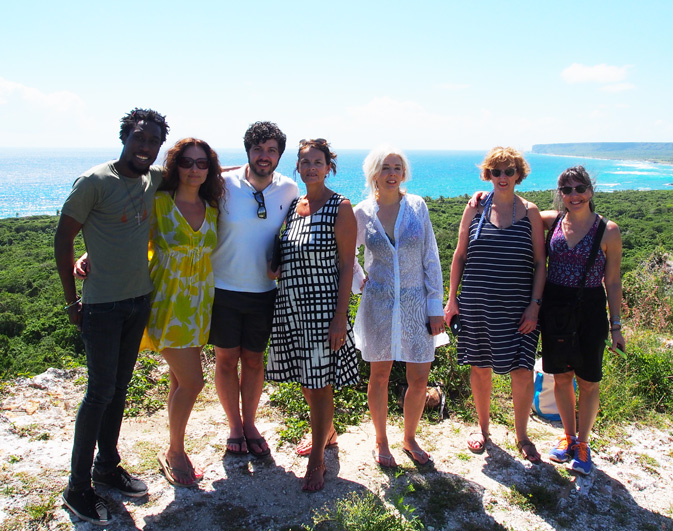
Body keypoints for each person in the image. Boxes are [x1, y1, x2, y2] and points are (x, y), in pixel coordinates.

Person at [54, 108, 169, 525]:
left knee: (119, 389)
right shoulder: (95, 181)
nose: (145, 146)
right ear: (125, 136)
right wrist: (72, 302)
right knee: (100, 392)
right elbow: (63, 238)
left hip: (139, 300)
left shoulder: (153, 179)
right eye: (139, 137)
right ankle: (76, 487)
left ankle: (106, 467)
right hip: (101, 305)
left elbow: (203, 169)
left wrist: (251, 167)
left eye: (153, 141)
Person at [266, 138, 359, 491]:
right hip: (290, 305)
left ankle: (318, 459)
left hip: (322, 310)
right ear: (298, 168)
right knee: (307, 381)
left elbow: (348, 266)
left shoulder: (340, 206)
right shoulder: (294, 206)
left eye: (317, 162)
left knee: (320, 385)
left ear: (328, 167)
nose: (311, 168)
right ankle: (328, 432)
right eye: (304, 162)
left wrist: (340, 317)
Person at [443, 147, 545, 462]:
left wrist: (535, 305)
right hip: (476, 302)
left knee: (522, 372)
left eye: (509, 171)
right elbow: (459, 255)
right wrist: (452, 298)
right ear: (489, 175)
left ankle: (522, 435)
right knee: (480, 368)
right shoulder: (474, 208)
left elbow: (541, 263)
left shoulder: (530, 212)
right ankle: (483, 429)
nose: (503, 177)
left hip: (518, 308)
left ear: (518, 175)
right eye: (496, 172)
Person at [352, 146, 447, 467]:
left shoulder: (417, 206)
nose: (391, 173)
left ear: (403, 173)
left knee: (419, 377)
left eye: (396, 168)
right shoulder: (362, 212)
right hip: (378, 305)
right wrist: (359, 281)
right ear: (374, 174)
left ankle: (409, 437)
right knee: (379, 376)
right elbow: (346, 254)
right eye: (385, 168)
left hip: (417, 304)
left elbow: (431, 257)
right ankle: (381, 441)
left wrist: (437, 305)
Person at [209, 122, 299, 458]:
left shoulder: (288, 189)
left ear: (279, 155)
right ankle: (234, 425)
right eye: (258, 149)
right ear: (247, 151)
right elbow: (178, 184)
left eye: (272, 150)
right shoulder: (222, 184)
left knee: (255, 361)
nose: (265, 156)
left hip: (264, 290)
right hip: (223, 288)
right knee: (225, 359)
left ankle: (251, 423)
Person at [141, 138, 223, 486]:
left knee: (179, 380)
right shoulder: (158, 203)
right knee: (193, 381)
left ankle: (174, 444)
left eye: (201, 163)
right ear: (175, 167)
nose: (194, 169)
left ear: (209, 168)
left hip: (200, 305)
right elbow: (128, 237)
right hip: (167, 304)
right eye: (187, 162)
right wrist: (90, 257)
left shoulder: (213, 207)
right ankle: (175, 451)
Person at [541, 166, 625, 475]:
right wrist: (481, 199)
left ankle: (583, 444)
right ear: (560, 195)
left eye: (579, 188)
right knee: (561, 377)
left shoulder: (608, 230)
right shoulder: (551, 222)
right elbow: (514, 209)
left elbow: (613, 282)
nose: (574, 195)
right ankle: (568, 437)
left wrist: (616, 326)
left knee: (589, 380)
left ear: (590, 190)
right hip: (555, 306)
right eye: (567, 190)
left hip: (590, 308)